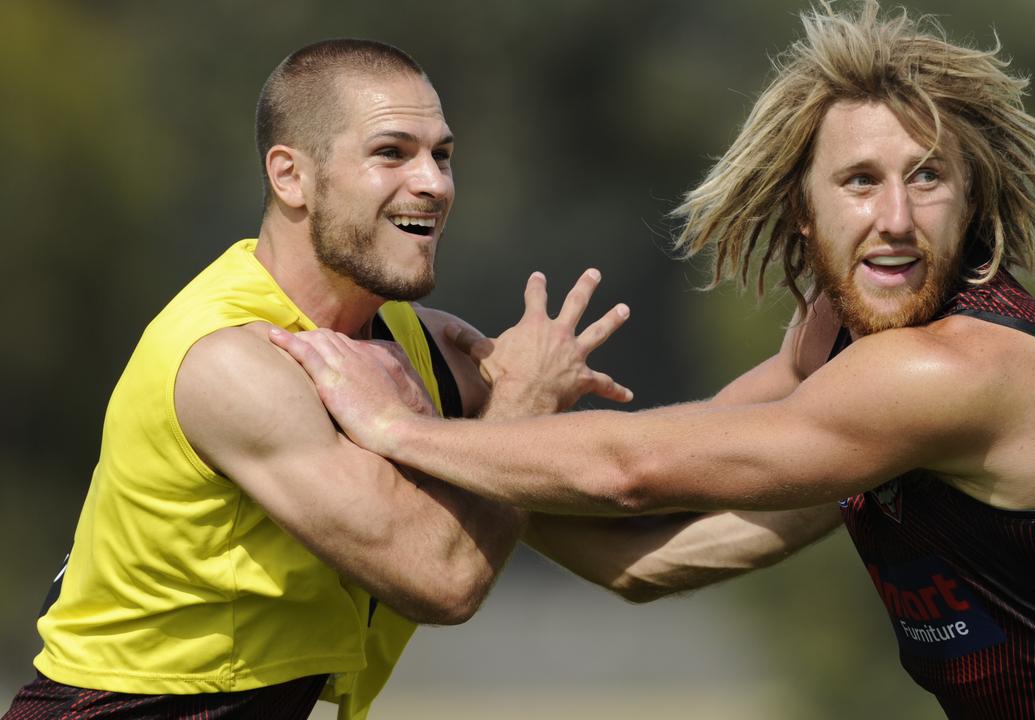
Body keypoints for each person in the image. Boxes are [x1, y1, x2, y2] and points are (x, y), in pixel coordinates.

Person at [270, 4, 1035, 718]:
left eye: (927, 178)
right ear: (804, 209)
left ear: (970, 207)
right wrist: (482, 445)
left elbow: (630, 470)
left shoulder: (953, 374)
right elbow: (651, 558)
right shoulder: (840, 369)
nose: (893, 217)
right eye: (858, 180)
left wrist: (398, 427)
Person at [3, 39, 631, 720]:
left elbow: (643, 543)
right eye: (393, 152)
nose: (436, 183)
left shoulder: (429, 349)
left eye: (442, 155)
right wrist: (528, 401)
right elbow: (443, 577)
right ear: (290, 176)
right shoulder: (228, 362)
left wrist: (767, 437)